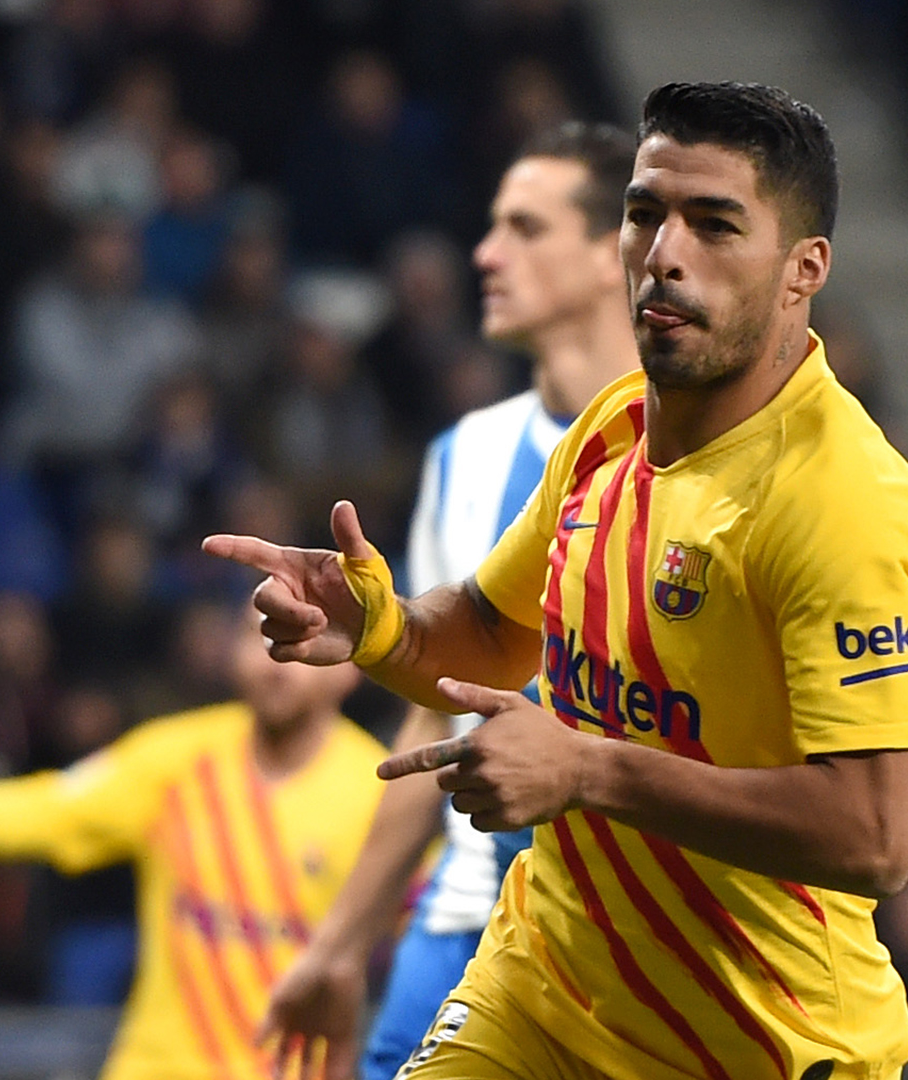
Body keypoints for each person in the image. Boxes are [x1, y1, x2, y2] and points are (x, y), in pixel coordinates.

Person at [207, 82, 908, 1080]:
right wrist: (376, 625)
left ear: (804, 269)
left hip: (753, 1044)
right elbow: (484, 633)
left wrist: (590, 769)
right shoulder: (611, 430)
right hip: (542, 992)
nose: (664, 253)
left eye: (715, 224)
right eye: (646, 214)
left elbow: (875, 836)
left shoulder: (838, 498)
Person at [260, 122, 640, 1080]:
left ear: (611, 257)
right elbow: (434, 712)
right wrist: (342, 942)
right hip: (470, 912)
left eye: (524, 227)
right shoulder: (464, 456)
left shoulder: (692, 451)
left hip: (633, 929)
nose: (486, 252)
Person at [0, 617, 386, 1080]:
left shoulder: (380, 794)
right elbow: (44, 813)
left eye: (304, 643)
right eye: (260, 636)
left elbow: (429, 935)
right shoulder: (175, 762)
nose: (275, 661)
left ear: (350, 666)